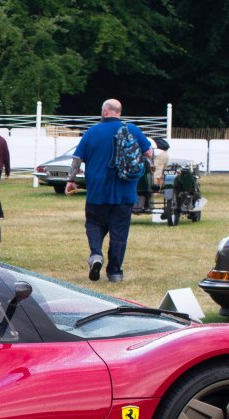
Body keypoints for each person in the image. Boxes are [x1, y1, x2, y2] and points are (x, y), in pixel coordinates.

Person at [64, 98, 152, 283]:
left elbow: (77, 159)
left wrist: (71, 180)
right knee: (119, 233)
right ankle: (114, 272)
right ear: (119, 112)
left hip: (97, 191)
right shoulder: (132, 130)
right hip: (125, 192)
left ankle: (96, 255)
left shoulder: (92, 131)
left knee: (94, 225)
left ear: (104, 112)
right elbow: (149, 153)